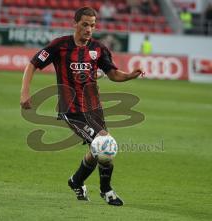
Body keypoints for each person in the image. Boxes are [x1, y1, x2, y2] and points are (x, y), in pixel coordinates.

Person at [20, 7, 144, 206]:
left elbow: (112, 73)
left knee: (97, 150)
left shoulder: (98, 48)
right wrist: (25, 93)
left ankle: (76, 181)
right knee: (106, 144)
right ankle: (106, 191)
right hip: (72, 109)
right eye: (85, 24)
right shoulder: (59, 46)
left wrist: (129, 75)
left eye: (93, 25)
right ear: (75, 23)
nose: (89, 29)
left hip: (94, 108)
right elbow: (32, 64)